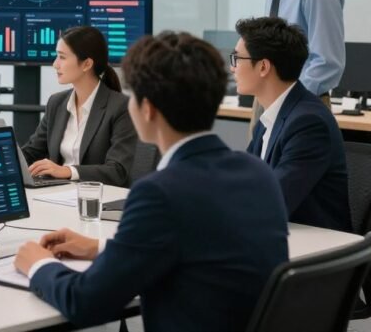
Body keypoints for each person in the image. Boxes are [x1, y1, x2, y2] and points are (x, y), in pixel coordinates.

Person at [15, 32, 289, 331]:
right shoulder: (258, 174)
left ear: (147, 109)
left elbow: (85, 302)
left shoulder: (160, 193)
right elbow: (196, 247)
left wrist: (38, 264)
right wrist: (101, 247)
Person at [233, 17, 350, 232]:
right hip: (280, 234)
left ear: (263, 67)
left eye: (237, 59)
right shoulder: (270, 118)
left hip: (318, 246)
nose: (232, 68)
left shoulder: (308, 123)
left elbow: (273, 200)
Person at [20, 26, 138, 187]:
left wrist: (68, 171)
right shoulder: (56, 103)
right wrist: (4, 158)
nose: (55, 64)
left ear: (86, 64)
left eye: (62, 57)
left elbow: (118, 171)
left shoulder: (121, 107)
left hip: (98, 196)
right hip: (56, 192)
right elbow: (32, 152)